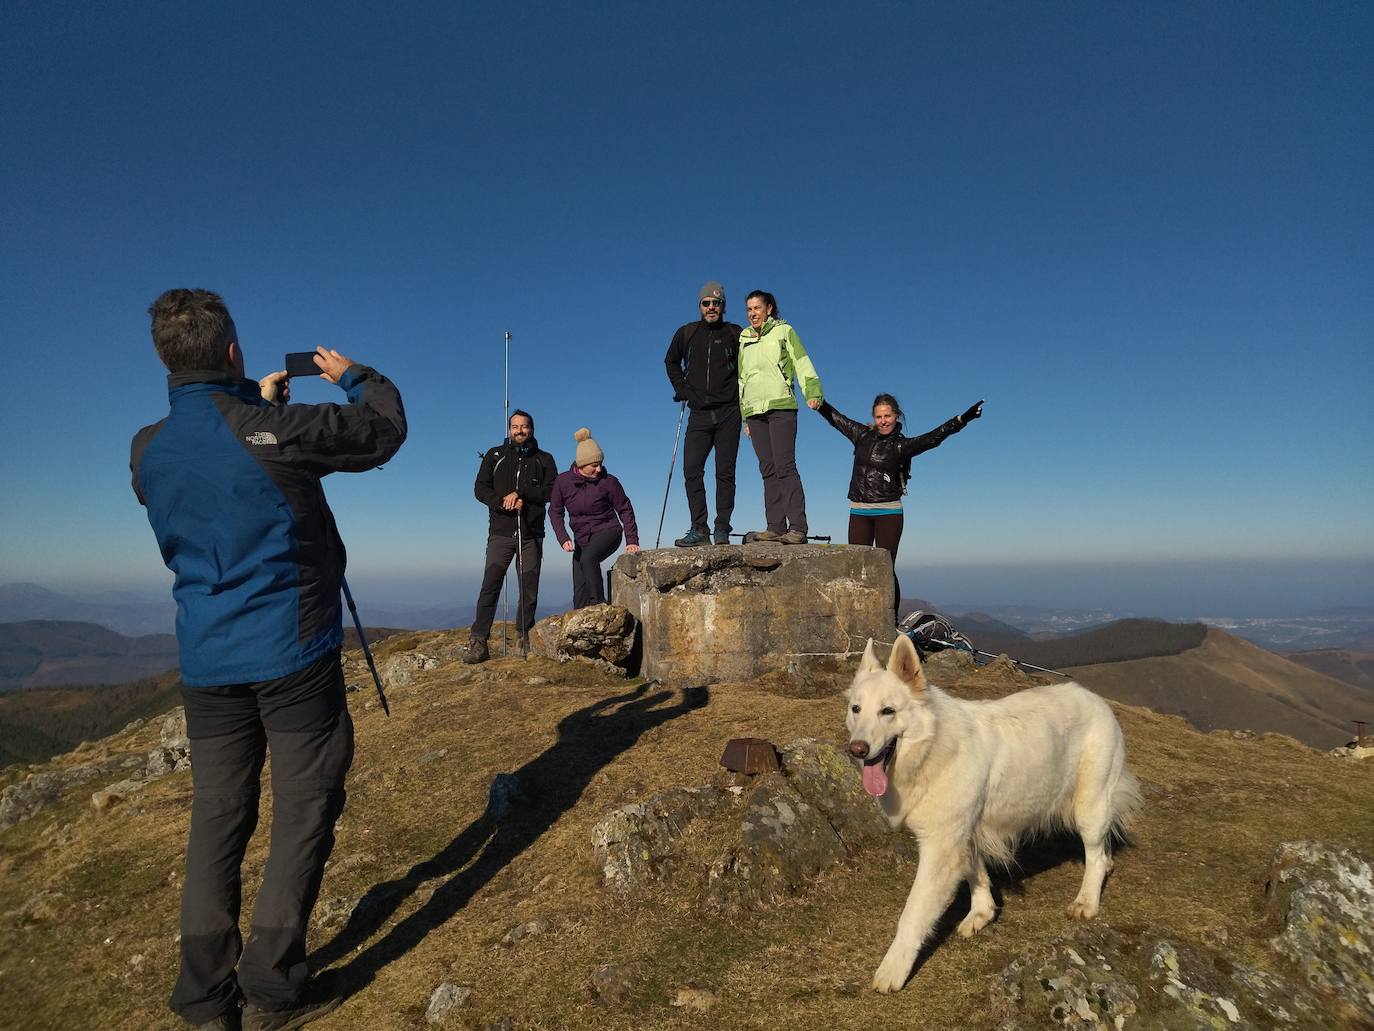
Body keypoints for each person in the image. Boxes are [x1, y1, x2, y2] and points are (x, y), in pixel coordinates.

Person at [130, 288, 407, 1031]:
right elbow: (383, 428)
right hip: (292, 654)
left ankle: (200, 996)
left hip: (205, 663)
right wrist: (353, 373)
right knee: (304, 805)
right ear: (231, 350)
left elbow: (214, 458)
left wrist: (251, 400)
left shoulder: (146, 450)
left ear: (164, 356)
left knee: (217, 818)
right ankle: (271, 985)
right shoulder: (277, 430)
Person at [817, 392, 983, 615]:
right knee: (857, 564)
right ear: (874, 418)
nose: (883, 421)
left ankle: (889, 619)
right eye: (878, 416)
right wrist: (819, 404)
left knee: (885, 568)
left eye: (887, 415)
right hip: (859, 510)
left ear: (897, 416)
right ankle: (861, 615)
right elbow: (837, 418)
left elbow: (933, 438)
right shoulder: (861, 435)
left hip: (888, 512)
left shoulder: (901, 446)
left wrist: (961, 420)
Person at [468, 410, 559, 662]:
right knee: (490, 586)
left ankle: (524, 637)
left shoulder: (544, 459)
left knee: (528, 588)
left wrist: (521, 493)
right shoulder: (495, 455)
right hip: (500, 532)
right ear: (509, 429)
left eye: (524, 426)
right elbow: (480, 488)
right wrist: (500, 503)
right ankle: (478, 642)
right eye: (515, 426)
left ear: (532, 429)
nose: (519, 430)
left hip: (531, 534)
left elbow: (553, 491)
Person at [737, 290, 824, 544]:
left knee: (785, 466)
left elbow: (801, 361)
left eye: (757, 308)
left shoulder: (784, 331)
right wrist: (745, 416)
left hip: (781, 406)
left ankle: (797, 527)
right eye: (749, 309)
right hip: (754, 412)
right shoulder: (744, 339)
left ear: (769, 309)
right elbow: (742, 380)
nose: (753, 313)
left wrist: (812, 391)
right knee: (767, 470)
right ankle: (775, 526)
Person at [663, 280, 743, 546]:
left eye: (716, 303)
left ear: (723, 306)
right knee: (691, 470)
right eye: (706, 303)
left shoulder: (734, 333)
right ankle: (700, 529)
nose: (711, 307)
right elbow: (671, 361)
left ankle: (722, 530)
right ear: (700, 306)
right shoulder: (687, 333)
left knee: (725, 472)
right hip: (698, 413)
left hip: (729, 411)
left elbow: (748, 369)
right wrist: (681, 387)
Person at [548, 428, 641, 606]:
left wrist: (632, 540)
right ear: (581, 465)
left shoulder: (609, 481)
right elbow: (555, 511)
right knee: (580, 587)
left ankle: (600, 605)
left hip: (608, 531)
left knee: (588, 559)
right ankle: (580, 622)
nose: (599, 469)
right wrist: (563, 537)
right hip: (582, 538)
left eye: (600, 463)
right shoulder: (563, 482)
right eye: (594, 465)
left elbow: (625, 509)